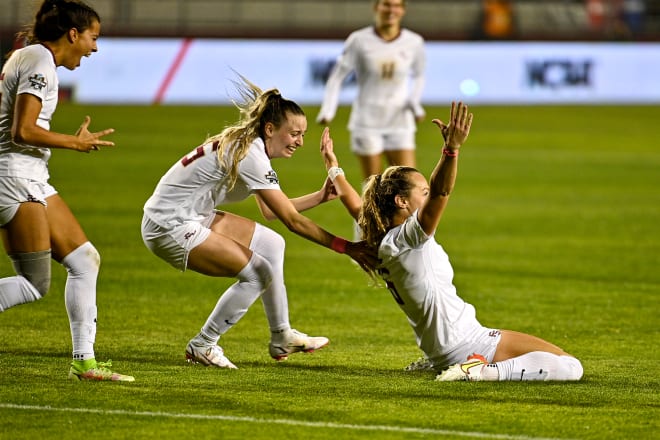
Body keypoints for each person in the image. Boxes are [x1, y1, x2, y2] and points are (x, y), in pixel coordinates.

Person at [319, 102, 583, 381]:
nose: (429, 194)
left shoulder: (378, 238)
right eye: (423, 191)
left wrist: (334, 169)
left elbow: (357, 207)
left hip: (445, 347)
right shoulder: (410, 237)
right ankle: (481, 371)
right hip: (467, 343)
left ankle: (459, 365)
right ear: (402, 202)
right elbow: (442, 192)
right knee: (570, 366)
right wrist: (451, 150)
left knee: (552, 357)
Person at [141, 76, 377, 369]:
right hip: (168, 226)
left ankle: (282, 336)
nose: (300, 142)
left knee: (271, 244)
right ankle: (203, 344)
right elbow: (291, 220)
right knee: (258, 273)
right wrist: (346, 247)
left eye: (302, 134)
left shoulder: (251, 147)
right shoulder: (253, 155)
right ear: (270, 129)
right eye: (294, 134)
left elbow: (269, 211)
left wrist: (318, 197)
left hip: (190, 215)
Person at [0, 0, 133, 382]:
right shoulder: (39, 60)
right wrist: (74, 143)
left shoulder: (28, 54)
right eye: (93, 37)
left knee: (85, 259)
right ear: (72, 34)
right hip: (14, 177)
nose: (94, 47)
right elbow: (22, 131)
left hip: (30, 175)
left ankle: (84, 362)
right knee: (33, 283)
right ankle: (84, 362)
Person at [316, 0, 426, 183]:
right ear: (376, 7)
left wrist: (415, 104)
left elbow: (419, 76)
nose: (391, 10)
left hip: (399, 120)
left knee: (408, 183)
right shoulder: (359, 40)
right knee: (373, 186)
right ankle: (372, 212)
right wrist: (328, 110)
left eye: (397, 5)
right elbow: (336, 77)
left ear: (403, 10)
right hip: (367, 121)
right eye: (386, 4)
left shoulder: (414, 42)